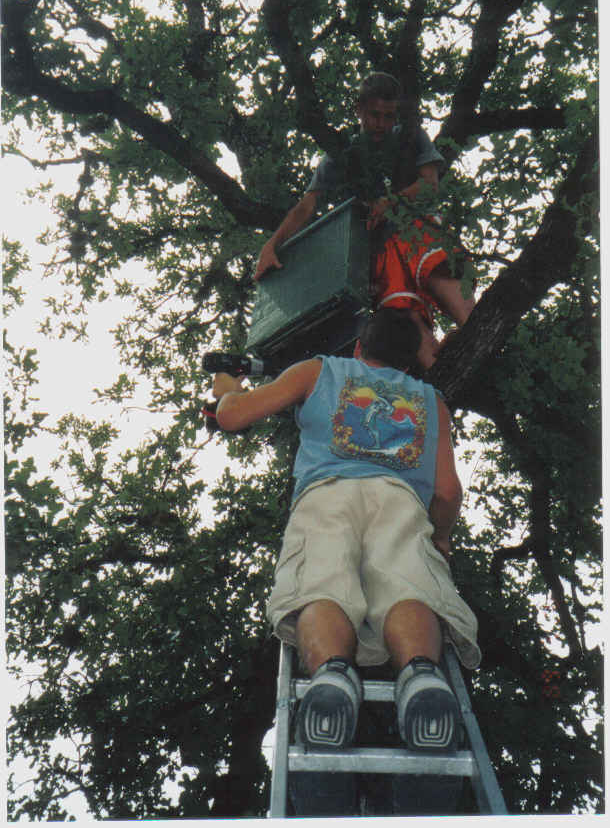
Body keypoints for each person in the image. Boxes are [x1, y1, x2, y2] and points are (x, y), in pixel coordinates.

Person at [212, 308, 481, 775]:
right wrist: (440, 538)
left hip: (327, 495)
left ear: (359, 348)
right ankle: (421, 678)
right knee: (408, 585)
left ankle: (333, 679)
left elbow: (233, 417)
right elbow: (447, 492)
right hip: (399, 500)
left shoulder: (318, 371)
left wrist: (226, 388)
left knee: (322, 582)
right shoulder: (430, 401)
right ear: (410, 361)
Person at [254, 72, 475, 368]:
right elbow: (306, 206)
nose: (381, 123)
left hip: (415, 229)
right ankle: (440, 367)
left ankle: (473, 330)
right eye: (374, 115)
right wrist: (272, 244)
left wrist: (391, 201)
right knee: (402, 311)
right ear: (359, 109)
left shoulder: (410, 137)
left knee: (437, 268)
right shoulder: (343, 153)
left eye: (389, 116)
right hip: (379, 251)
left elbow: (430, 184)